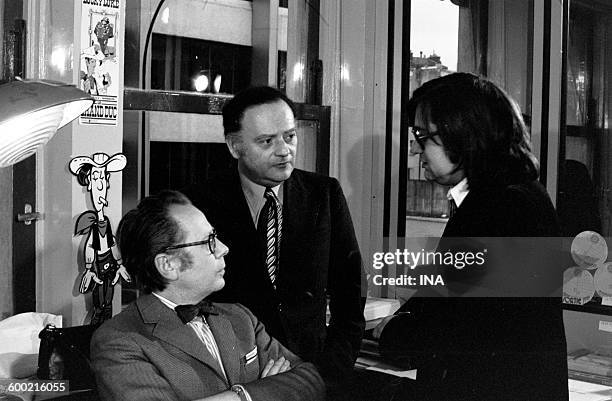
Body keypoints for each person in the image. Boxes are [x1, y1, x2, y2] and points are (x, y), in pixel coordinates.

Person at [373, 73, 568, 400]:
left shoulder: (500, 208)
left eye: (423, 135)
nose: (415, 148)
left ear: (462, 134)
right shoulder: (509, 196)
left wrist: (393, 332)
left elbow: (453, 327)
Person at [183, 86, 365, 387]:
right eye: (267, 141)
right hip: (233, 377)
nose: (284, 151)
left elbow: (351, 288)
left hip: (314, 373)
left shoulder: (324, 195)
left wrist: (330, 370)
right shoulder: (198, 204)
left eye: (290, 136)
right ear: (234, 146)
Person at [90, 190, 324, 401]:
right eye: (209, 241)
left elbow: (311, 380)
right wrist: (255, 392)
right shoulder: (119, 340)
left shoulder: (241, 318)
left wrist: (242, 395)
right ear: (168, 265)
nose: (224, 248)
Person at [70, 152, 131, 325]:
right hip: (98, 267)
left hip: (110, 267)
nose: (100, 185)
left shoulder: (106, 223)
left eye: (103, 178)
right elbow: (90, 246)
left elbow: (111, 242)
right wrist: (89, 269)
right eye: (96, 178)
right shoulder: (93, 225)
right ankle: (96, 328)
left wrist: (119, 265)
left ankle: (106, 326)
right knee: (99, 301)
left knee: (109, 300)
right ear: (89, 183)